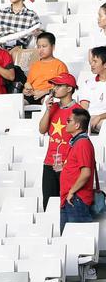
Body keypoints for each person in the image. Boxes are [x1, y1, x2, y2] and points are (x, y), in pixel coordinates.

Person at [39, 72, 82, 206]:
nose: (54, 88)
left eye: (58, 85)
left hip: (67, 165)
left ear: (69, 88)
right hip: (49, 162)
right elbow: (42, 129)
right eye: (54, 85)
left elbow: (80, 140)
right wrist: (47, 109)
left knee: (66, 204)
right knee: (49, 204)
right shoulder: (53, 107)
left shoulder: (78, 111)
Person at [59, 108, 98, 230]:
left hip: (76, 199)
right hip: (71, 198)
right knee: (68, 243)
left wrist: (71, 192)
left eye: (68, 120)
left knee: (77, 243)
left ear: (77, 125)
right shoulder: (77, 143)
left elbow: (86, 173)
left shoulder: (82, 143)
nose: (66, 123)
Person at [22, 32, 68, 105]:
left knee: (46, 102)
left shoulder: (60, 65)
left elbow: (63, 87)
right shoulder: (34, 65)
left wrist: (43, 92)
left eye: (44, 46)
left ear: (53, 47)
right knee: (18, 103)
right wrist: (26, 89)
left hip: (48, 94)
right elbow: (28, 83)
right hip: (32, 94)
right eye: (39, 47)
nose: (41, 49)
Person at [77, 46, 106, 133]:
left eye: (95, 61)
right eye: (92, 61)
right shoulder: (88, 83)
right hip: (91, 120)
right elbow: (83, 108)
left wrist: (100, 116)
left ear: (105, 64)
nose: (92, 64)